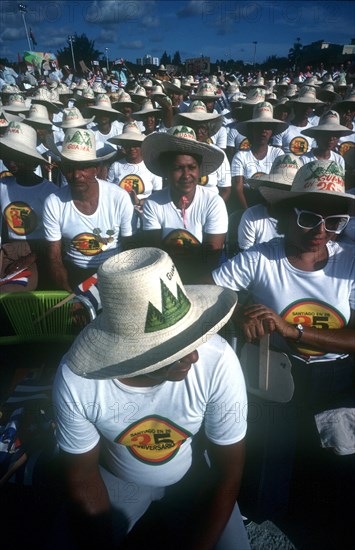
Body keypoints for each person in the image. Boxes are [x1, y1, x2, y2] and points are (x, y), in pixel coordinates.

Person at [51, 247, 249, 549]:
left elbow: (228, 472)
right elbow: (82, 479)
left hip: (194, 476)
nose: (193, 355)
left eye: (192, 339)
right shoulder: (78, 381)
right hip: (116, 480)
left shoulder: (218, 359)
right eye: (171, 350)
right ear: (131, 353)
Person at [202, 160, 355, 544]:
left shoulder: (350, 264)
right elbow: (207, 296)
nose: (321, 232)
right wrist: (238, 316)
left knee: (338, 488)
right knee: (266, 494)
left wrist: (293, 329)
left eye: (334, 222)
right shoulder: (260, 258)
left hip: (335, 379)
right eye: (308, 218)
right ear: (286, 215)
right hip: (275, 377)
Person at [42, 128, 134, 291]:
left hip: (113, 271)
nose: (77, 175)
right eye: (70, 167)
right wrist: (70, 296)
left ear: (96, 169)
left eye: (83, 167)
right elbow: (54, 258)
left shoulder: (119, 198)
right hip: (74, 272)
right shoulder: (53, 202)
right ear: (62, 169)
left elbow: (129, 249)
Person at [141, 125, 228, 283]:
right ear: (166, 171)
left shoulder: (214, 202)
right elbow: (154, 253)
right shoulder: (153, 203)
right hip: (166, 277)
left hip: (204, 277)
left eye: (192, 167)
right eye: (178, 168)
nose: (186, 175)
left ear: (199, 170)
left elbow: (212, 256)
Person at [0, 121, 58, 289]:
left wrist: (28, 259)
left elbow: (54, 238)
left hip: (39, 250)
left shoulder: (49, 192)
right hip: (10, 247)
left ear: (31, 161)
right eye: (7, 155)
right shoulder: (3, 185)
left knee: (12, 292)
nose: (11, 161)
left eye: (18, 157)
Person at [230, 102, 287, 210]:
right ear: (251, 129)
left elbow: (281, 186)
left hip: (272, 205)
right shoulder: (240, 156)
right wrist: (247, 212)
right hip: (247, 204)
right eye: (259, 127)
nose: (263, 132)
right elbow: (238, 189)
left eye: (267, 128)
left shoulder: (278, 154)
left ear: (272, 131)